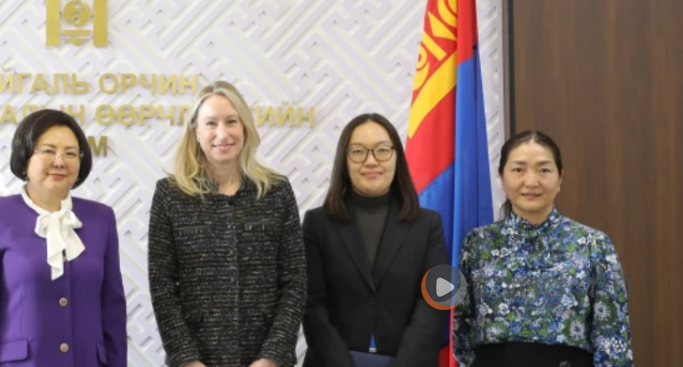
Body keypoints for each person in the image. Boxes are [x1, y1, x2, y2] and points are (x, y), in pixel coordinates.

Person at [148, 81, 305, 367]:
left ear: (244, 127)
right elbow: (162, 287)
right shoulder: (170, 195)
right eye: (211, 123)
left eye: (231, 121)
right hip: (196, 358)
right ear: (196, 131)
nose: (222, 133)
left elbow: (294, 282)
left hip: (264, 358)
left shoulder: (276, 191)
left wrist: (271, 356)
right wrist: (187, 359)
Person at [453, 131, 634, 367]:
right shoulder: (477, 244)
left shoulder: (594, 245)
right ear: (502, 177)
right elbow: (461, 329)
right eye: (518, 169)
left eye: (544, 170)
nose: (531, 182)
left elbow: (613, 338)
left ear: (560, 178)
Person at [0, 109, 127, 367]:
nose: (60, 162)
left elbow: (113, 309)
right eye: (49, 151)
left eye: (70, 153)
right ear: (25, 156)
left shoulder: (101, 218)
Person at [301, 113, 449, 366]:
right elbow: (311, 304)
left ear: (396, 156)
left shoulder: (428, 224)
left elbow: (436, 301)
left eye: (382, 150)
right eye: (358, 152)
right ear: (344, 160)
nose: (371, 161)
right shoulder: (317, 224)